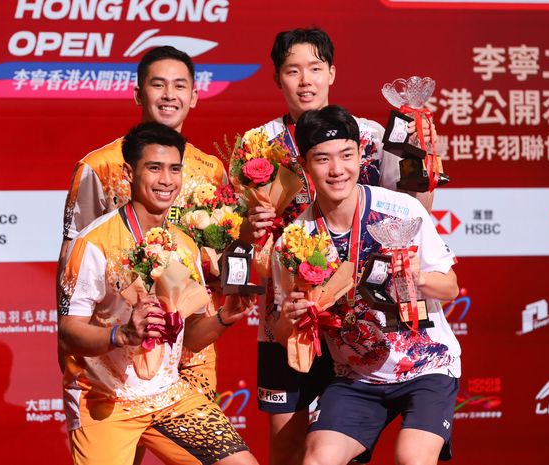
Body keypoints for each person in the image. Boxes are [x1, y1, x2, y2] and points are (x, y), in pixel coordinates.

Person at [241, 27, 436, 465]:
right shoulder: (257, 146)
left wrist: (419, 152)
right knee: (289, 444)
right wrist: (249, 229)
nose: (305, 80)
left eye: (315, 68)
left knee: (341, 450)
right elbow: (242, 237)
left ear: (332, 72)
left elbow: (413, 208)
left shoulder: (367, 136)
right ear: (277, 78)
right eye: (293, 70)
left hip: (359, 319)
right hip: (288, 317)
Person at [58, 122, 258, 465]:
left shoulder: (185, 245)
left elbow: (191, 336)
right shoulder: (93, 243)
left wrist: (223, 318)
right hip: (105, 400)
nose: (166, 180)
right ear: (128, 172)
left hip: (169, 395)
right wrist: (122, 334)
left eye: (174, 168)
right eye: (154, 167)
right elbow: (68, 333)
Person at [279, 105, 460, 465]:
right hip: (357, 377)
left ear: (361, 155)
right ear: (305, 163)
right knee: (317, 459)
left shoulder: (402, 210)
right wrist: (296, 316)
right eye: (323, 159)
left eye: (346, 156)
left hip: (427, 364)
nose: (337, 170)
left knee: (412, 457)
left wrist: (416, 277)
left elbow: (450, 287)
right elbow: (286, 329)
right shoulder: (295, 239)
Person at [59, 46, 227, 403]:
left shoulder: (212, 169)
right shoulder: (100, 166)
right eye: (158, 85)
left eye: (180, 86)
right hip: (121, 352)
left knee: (201, 452)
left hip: (191, 347)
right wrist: (75, 345)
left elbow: (221, 257)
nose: (169, 96)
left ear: (194, 96)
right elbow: (72, 261)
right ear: (138, 93)